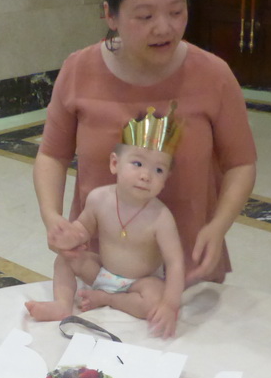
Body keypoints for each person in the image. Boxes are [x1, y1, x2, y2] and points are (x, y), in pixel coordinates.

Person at [32, 0, 257, 319]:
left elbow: (241, 164)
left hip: (185, 267)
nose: (164, 27)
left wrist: (218, 227)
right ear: (111, 15)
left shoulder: (213, 75)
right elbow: (51, 154)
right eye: (145, 16)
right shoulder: (79, 70)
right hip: (95, 266)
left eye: (176, 10)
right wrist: (53, 217)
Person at [27, 107, 186, 337]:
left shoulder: (161, 217)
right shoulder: (99, 198)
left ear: (166, 179)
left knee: (154, 299)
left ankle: (108, 299)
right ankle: (62, 304)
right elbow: (83, 229)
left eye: (158, 169)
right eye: (137, 164)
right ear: (115, 164)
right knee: (65, 259)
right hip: (101, 272)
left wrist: (170, 304)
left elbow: (175, 264)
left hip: (139, 283)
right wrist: (69, 235)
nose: (146, 175)